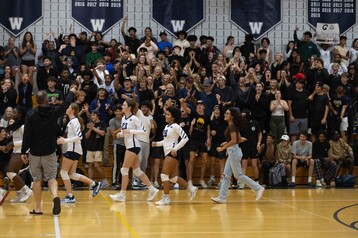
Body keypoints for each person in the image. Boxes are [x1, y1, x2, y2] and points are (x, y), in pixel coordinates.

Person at [21, 90, 72, 216]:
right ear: (46, 100)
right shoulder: (54, 112)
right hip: (49, 151)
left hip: (35, 152)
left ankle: (38, 208)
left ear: (37, 101)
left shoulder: (31, 115)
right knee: (51, 178)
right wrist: (71, 91)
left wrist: (23, 151)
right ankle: (55, 196)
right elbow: (66, 104)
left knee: (37, 180)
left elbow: (27, 135)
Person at [211, 107, 265, 204]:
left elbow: (234, 141)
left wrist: (223, 148)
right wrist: (226, 143)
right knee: (226, 175)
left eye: (227, 113)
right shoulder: (233, 126)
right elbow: (239, 139)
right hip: (233, 151)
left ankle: (258, 188)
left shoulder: (232, 127)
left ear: (231, 116)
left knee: (238, 175)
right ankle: (222, 197)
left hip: (234, 152)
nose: (225, 115)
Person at [109, 99, 159, 202]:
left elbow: (143, 131)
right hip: (129, 146)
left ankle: (122, 194)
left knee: (124, 170)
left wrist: (129, 131)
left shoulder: (135, 119)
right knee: (137, 170)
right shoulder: (123, 119)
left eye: (124, 105)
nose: (122, 106)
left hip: (134, 146)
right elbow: (124, 131)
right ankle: (152, 189)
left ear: (129, 108)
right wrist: (121, 134)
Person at [152, 106, 198, 205]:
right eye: (166, 114)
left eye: (168, 115)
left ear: (173, 117)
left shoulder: (176, 126)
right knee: (172, 178)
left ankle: (166, 198)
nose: (166, 116)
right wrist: (157, 143)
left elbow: (185, 138)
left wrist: (175, 148)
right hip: (167, 152)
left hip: (173, 153)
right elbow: (166, 141)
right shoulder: (166, 126)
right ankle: (191, 188)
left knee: (164, 175)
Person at [57, 103, 102, 203]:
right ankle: (94, 184)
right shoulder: (72, 121)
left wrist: (64, 141)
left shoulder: (74, 121)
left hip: (73, 149)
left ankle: (70, 196)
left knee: (63, 172)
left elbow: (79, 136)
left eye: (68, 107)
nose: (67, 109)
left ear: (73, 110)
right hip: (74, 149)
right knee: (72, 174)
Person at [5, 106, 33, 203]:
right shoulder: (16, 125)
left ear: (20, 115)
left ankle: (27, 190)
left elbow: (26, 140)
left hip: (22, 151)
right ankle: (19, 193)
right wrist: (9, 146)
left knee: (9, 172)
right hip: (16, 151)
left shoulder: (24, 126)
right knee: (14, 174)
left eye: (15, 112)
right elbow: (15, 139)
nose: (13, 114)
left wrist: (12, 144)